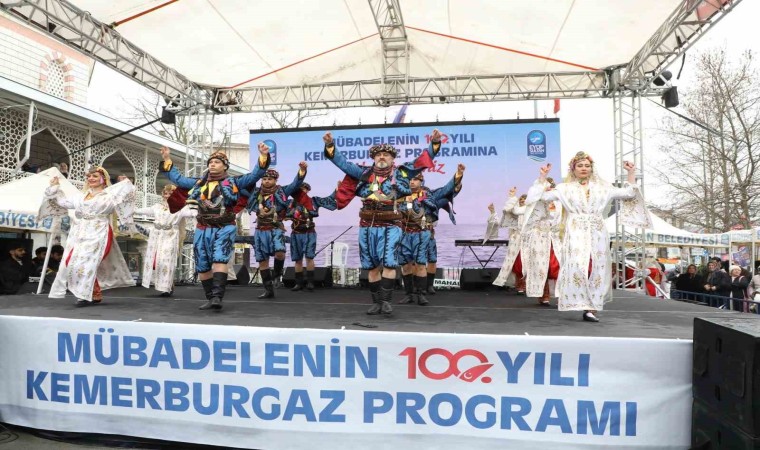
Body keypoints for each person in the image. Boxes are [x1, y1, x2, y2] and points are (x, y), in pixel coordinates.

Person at [322, 129, 439, 315]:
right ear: (373, 158)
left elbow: (421, 162)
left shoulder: (401, 173)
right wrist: (330, 146)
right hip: (367, 226)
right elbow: (343, 163)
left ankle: (386, 302)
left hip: (391, 225)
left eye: (386, 155)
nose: (382, 157)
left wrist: (434, 144)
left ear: (392, 159)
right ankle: (376, 302)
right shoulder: (363, 173)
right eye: (378, 155)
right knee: (371, 266)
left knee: (390, 263)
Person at [527, 152, 651, 322]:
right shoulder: (565, 188)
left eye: (587, 165)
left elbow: (628, 193)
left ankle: (591, 307)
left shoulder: (602, 187)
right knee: (578, 265)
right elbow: (541, 196)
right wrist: (542, 176)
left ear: (592, 168)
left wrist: (630, 173)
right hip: (576, 230)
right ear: (573, 169)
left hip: (597, 230)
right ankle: (578, 299)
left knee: (597, 266)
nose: (584, 168)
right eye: (580, 165)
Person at [160, 144, 270, 311]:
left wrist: (263, 156)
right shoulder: (199, 183)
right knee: (202, 264)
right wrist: (167, 159)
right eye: (210, 162)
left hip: (224, 226)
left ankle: (218, 297)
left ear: (225, 166)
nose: (212, 164)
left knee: (220, 258)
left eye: (217, 162)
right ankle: (210, 298)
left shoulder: (234, 182)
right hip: (203, 227)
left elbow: (255, 175)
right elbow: (179, 180)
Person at [39, 167, 136, 305]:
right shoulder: (80, 196)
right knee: (71, 262)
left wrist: (125, 184)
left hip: (98, 231)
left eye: (95, 176)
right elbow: (62, 202)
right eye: (89, 176)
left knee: (87, 263)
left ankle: (84, 295)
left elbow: (126, 195)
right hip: (79, 232)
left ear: (103, 179)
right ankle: (94, 293)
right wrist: (55, 187)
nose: (91, 178)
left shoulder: (109, 196)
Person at [398, 165, 465, 306]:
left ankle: (421, 294)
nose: (412, 182)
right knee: (405, 265)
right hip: (404, 234)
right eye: (410, 179)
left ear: (421, 181)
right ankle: (409, 295)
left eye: (415, 179)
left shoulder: (429, 196)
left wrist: (458, 174)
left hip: (422, 233)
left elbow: (446, 190)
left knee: (421, 263)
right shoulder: (400, 195)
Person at [243, 163, 308, 298]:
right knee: (262, 260)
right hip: (260, 229)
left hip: (275, 227)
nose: (266, 181)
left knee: (280, 253)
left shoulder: (282, 191)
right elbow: (243, 189)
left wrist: (302, 171)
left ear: (275, 180)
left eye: (270, 179)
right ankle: (268, 290)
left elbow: (295, 184)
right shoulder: (256, 193)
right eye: (264, 179)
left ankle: (277, 273)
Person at [135, 184, 197, 296]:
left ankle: (166, 287)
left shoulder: (181, 208)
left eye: (170, 194)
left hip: (170, 235)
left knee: (166, 260)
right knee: (157, 262)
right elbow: (140, 211)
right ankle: (166, 285)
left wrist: (193, 201)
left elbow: (193, 214)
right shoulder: (157, 207)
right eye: (165, 193)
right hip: (157, 236)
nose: (167, 195)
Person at [285, 182, 337, 292]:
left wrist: (337, 190)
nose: (302, 191)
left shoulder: (313, 201)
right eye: (300, 189)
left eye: (304, 189)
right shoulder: (290, 203)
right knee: (297, 259)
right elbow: (282, 211)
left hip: (309, 233)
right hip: (296, 233)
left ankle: (310, 282)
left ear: (308, 190)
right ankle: (298, 283)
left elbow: (328, 199)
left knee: (309, 257)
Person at [520, 177, 561, 306]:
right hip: (539, 238)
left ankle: (561, 295)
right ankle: (544, 294)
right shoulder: (535, 202)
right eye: (546, 186)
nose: (549, 188)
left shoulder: (559, 202)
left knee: (557, 266)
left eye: (551, 186)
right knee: (541, 266)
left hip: (555, 238)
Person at [490, 189, 527, 293]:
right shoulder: (515, 213)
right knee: (516, 264)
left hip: (527, 241)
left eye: (524, 200)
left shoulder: (530, 212)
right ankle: (519, 285)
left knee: (526, 263)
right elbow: (503, 218)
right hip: (516, 241)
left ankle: (527, 285)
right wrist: (493, 212)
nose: (522, 201)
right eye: (521, 199)